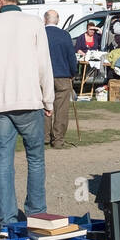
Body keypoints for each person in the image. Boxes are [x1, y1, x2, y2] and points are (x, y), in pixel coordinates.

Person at [0, 0, 55, 238]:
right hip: (30, 99)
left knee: (4, 161)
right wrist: (49, 99)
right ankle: (37, 215)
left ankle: (7, 223)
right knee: (35, 159)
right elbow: (44, 65)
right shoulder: (33, 23)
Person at [44, 10, 77, 149]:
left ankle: (44, 136)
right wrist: (73, 72)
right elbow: (71, 56)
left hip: (44, 76)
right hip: (62, 75)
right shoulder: (65, 35)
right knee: (61, 109)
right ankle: (58, 139)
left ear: (45, 20)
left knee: (45, 106)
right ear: (57, 20)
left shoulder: (40, 34)